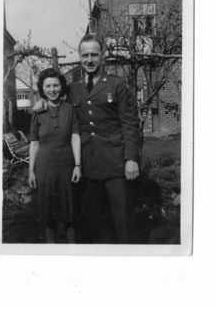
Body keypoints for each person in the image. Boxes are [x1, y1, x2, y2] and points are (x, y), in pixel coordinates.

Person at [34, 35, 140, 243]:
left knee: (122, 219)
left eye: (94, 54)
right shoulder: (73, 88)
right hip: (88, 165)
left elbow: (130, 123)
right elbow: (54, 99)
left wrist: (131, 158)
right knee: (96, 221)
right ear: (80, 57)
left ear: (103, 55)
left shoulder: (117, 85)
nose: (89, 60)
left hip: (115, 163)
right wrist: (40, 102)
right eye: (85, 55)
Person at [28, 68, 82, 243]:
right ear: (42, 89)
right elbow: (34, 143)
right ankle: (51, 251)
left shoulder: (70, 109)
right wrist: (31, 172)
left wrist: (77, 165)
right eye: (48, 86)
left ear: (62, 87)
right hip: (45, 167)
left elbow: (75, 136)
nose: (52, 89)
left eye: (56, 85)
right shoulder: (38, 112)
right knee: (48, 214)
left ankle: (72, 250)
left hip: (67, 165)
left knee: (70, 214)